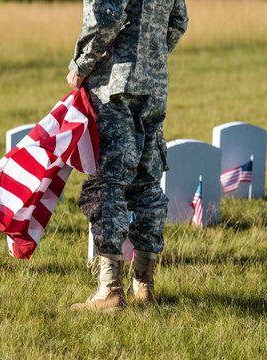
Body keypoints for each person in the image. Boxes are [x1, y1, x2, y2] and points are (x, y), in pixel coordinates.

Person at [67, 0, 188, 311]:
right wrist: (152, 58)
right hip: (154, 86)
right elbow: (178, 20)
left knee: (108, 182)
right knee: (147, 183)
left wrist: (81, 65)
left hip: (113, 86)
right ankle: (144, 285)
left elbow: (105, 18)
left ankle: (109, 290)